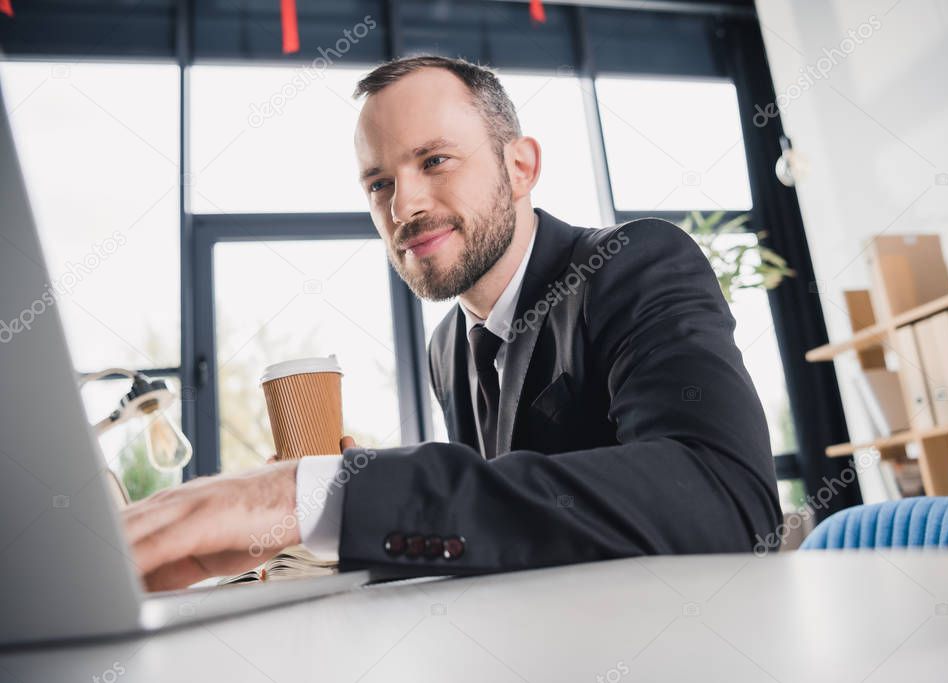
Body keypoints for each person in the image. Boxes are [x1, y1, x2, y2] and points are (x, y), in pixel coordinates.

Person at [125, 55, 782, 591]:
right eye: (377, 183)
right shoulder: (450, 348)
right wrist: (325, 528)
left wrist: (316, 494)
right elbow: (504, 530)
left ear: (519, 166)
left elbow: (723, 501)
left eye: (434, 160)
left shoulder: (633, 264)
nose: (403, 204)